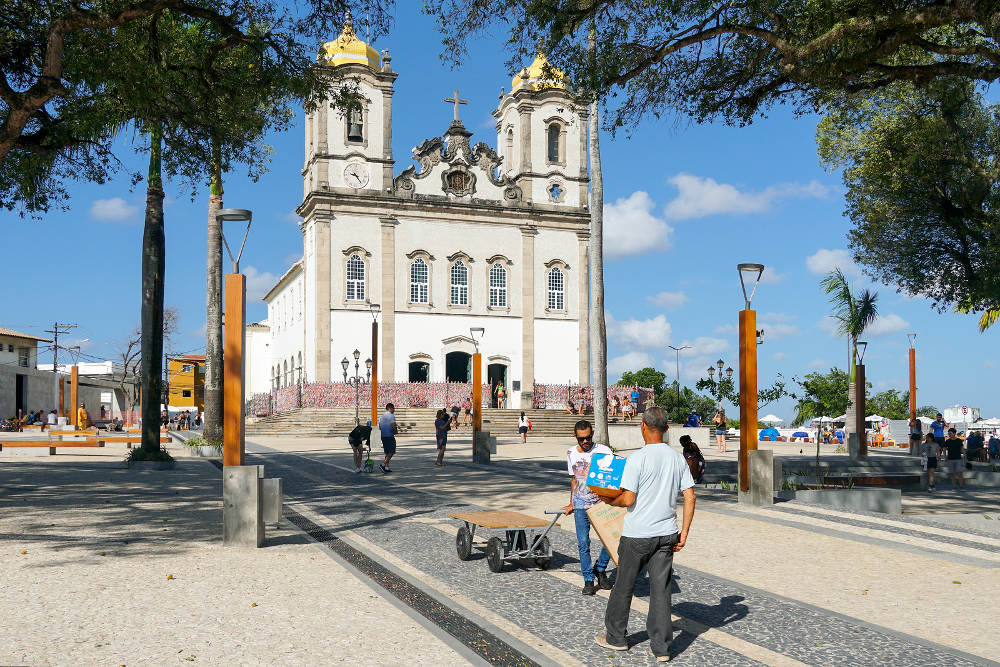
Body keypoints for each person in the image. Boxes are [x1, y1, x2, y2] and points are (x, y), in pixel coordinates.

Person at [597, 406, 695, 661]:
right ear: (666, 429)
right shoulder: (677, 458)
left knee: (624, 585)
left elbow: (628, 498)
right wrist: (684, 532)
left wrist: (609, 502)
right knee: (661, 590)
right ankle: (661, 648)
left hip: (638, 534)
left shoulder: (637, 459)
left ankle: (616, 638)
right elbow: (690, 497)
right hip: (667, 534)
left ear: (642, 426)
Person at [562, 419, 614, 596]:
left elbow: (612, 476)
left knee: (610, 540)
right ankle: (588, 579)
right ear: (575, 436)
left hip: (602, 503)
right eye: (581, 439)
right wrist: (571, 502)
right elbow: (574, 480)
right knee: (583, 543)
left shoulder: (604, 451)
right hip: (580, 505)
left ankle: (600, 568)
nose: (586, 441)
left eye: (588, 437)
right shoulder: (571, 453)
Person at [378, 403, 398, 474]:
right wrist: (396, 431)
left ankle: (386, 467)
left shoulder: (381, 416)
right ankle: (383, 464)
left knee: (387, 452)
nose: (394, 410)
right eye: (393, 408)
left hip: (383, 436)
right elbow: (393, 425)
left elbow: (380, 427)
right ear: (390, 408)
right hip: (389, 435)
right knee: (391, 451)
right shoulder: (391, 416)